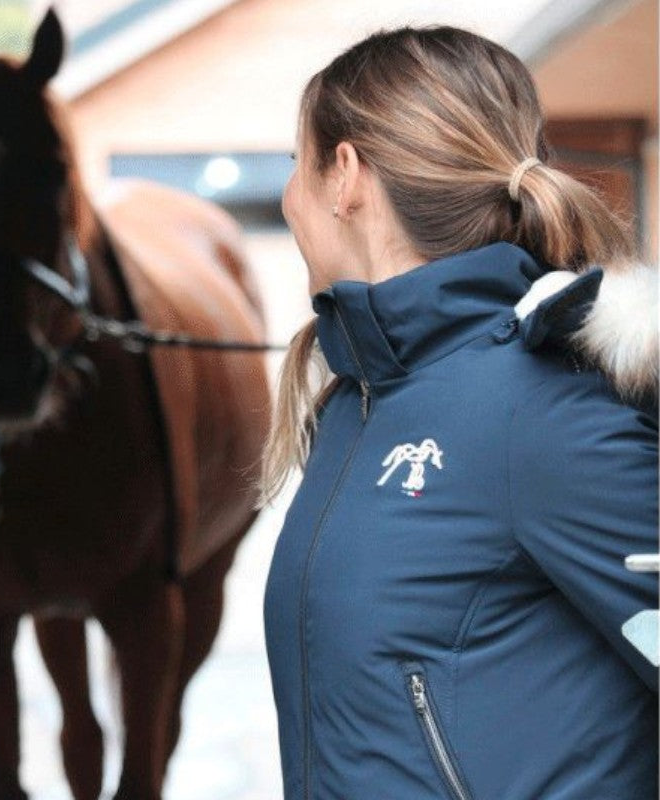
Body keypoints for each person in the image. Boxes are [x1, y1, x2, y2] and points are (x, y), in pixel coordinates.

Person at [260, 26, 658, 800]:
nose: (287, 200)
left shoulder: (544, 408)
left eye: (294, 167)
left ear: (345, 176)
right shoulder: (358, 404)